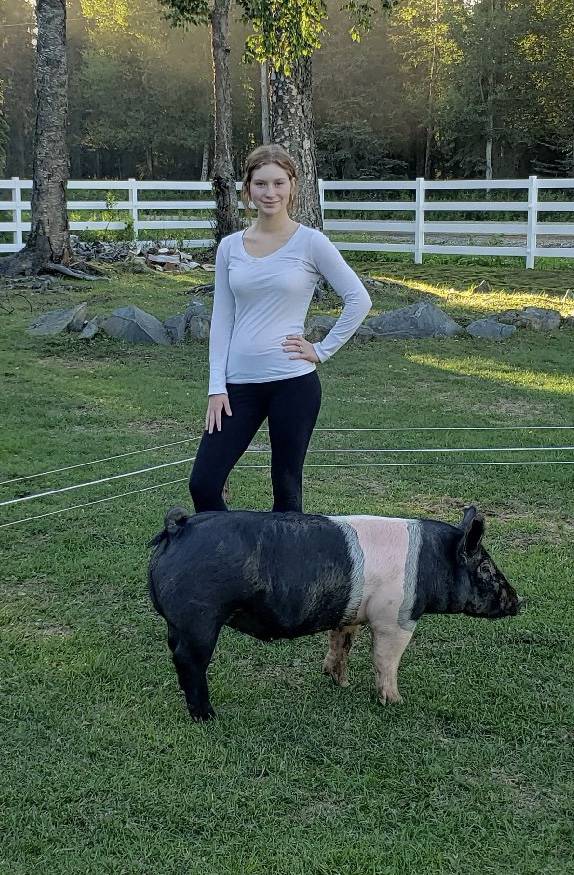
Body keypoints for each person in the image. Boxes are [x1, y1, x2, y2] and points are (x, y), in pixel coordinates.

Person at [189, 143, 372, 514]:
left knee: (286, 494)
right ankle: (230, 560)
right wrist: (215, 386)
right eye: (260, 184)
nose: (269, 193)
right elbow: (223, 318)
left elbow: (359, 298)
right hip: (237, 386)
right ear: (248, 190)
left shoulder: (310, 242)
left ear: (292, 185)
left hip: (293, 384)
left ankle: (282, 571)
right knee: (204, 484)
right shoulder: (230, 247)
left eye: (278, 183)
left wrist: (321, 350)